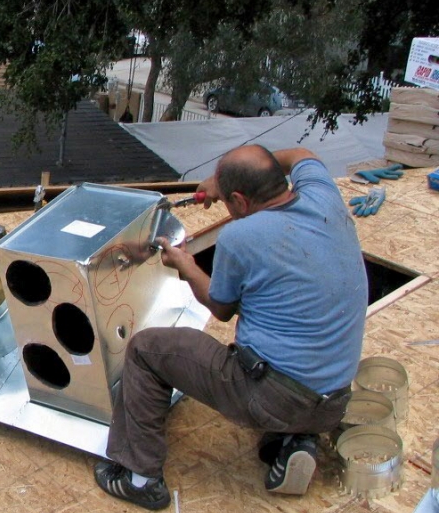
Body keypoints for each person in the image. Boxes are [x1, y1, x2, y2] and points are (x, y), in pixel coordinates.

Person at [94, 145, 367, 510]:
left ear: (239, 200)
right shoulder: (324, 195)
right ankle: (294, 441)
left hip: (276, 398)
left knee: (146, 349)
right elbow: (300, 153)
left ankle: (139, 478)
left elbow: (221, 308)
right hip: (334, 400)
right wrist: (219, 180)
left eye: (226, 199)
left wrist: (185, 265)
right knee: (295, 349)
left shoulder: (241, 236)